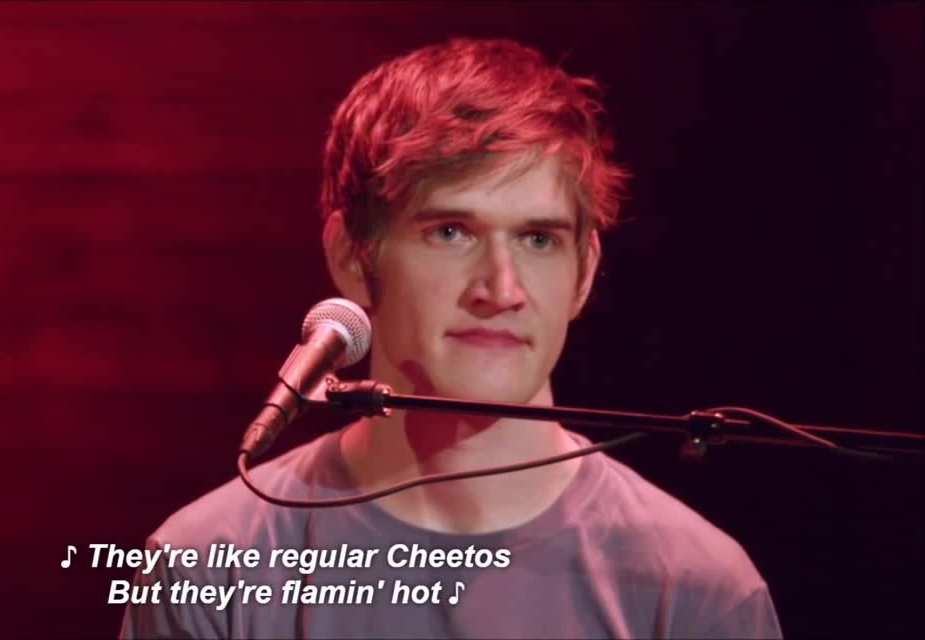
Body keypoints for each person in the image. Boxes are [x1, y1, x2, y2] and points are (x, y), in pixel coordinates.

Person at [119, 37, 783, 639]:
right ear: (352, 255)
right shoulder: (210, 570)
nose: (501, 288)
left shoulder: (698, 592)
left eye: (538, 239)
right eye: (451, 232)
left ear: (584, 273)